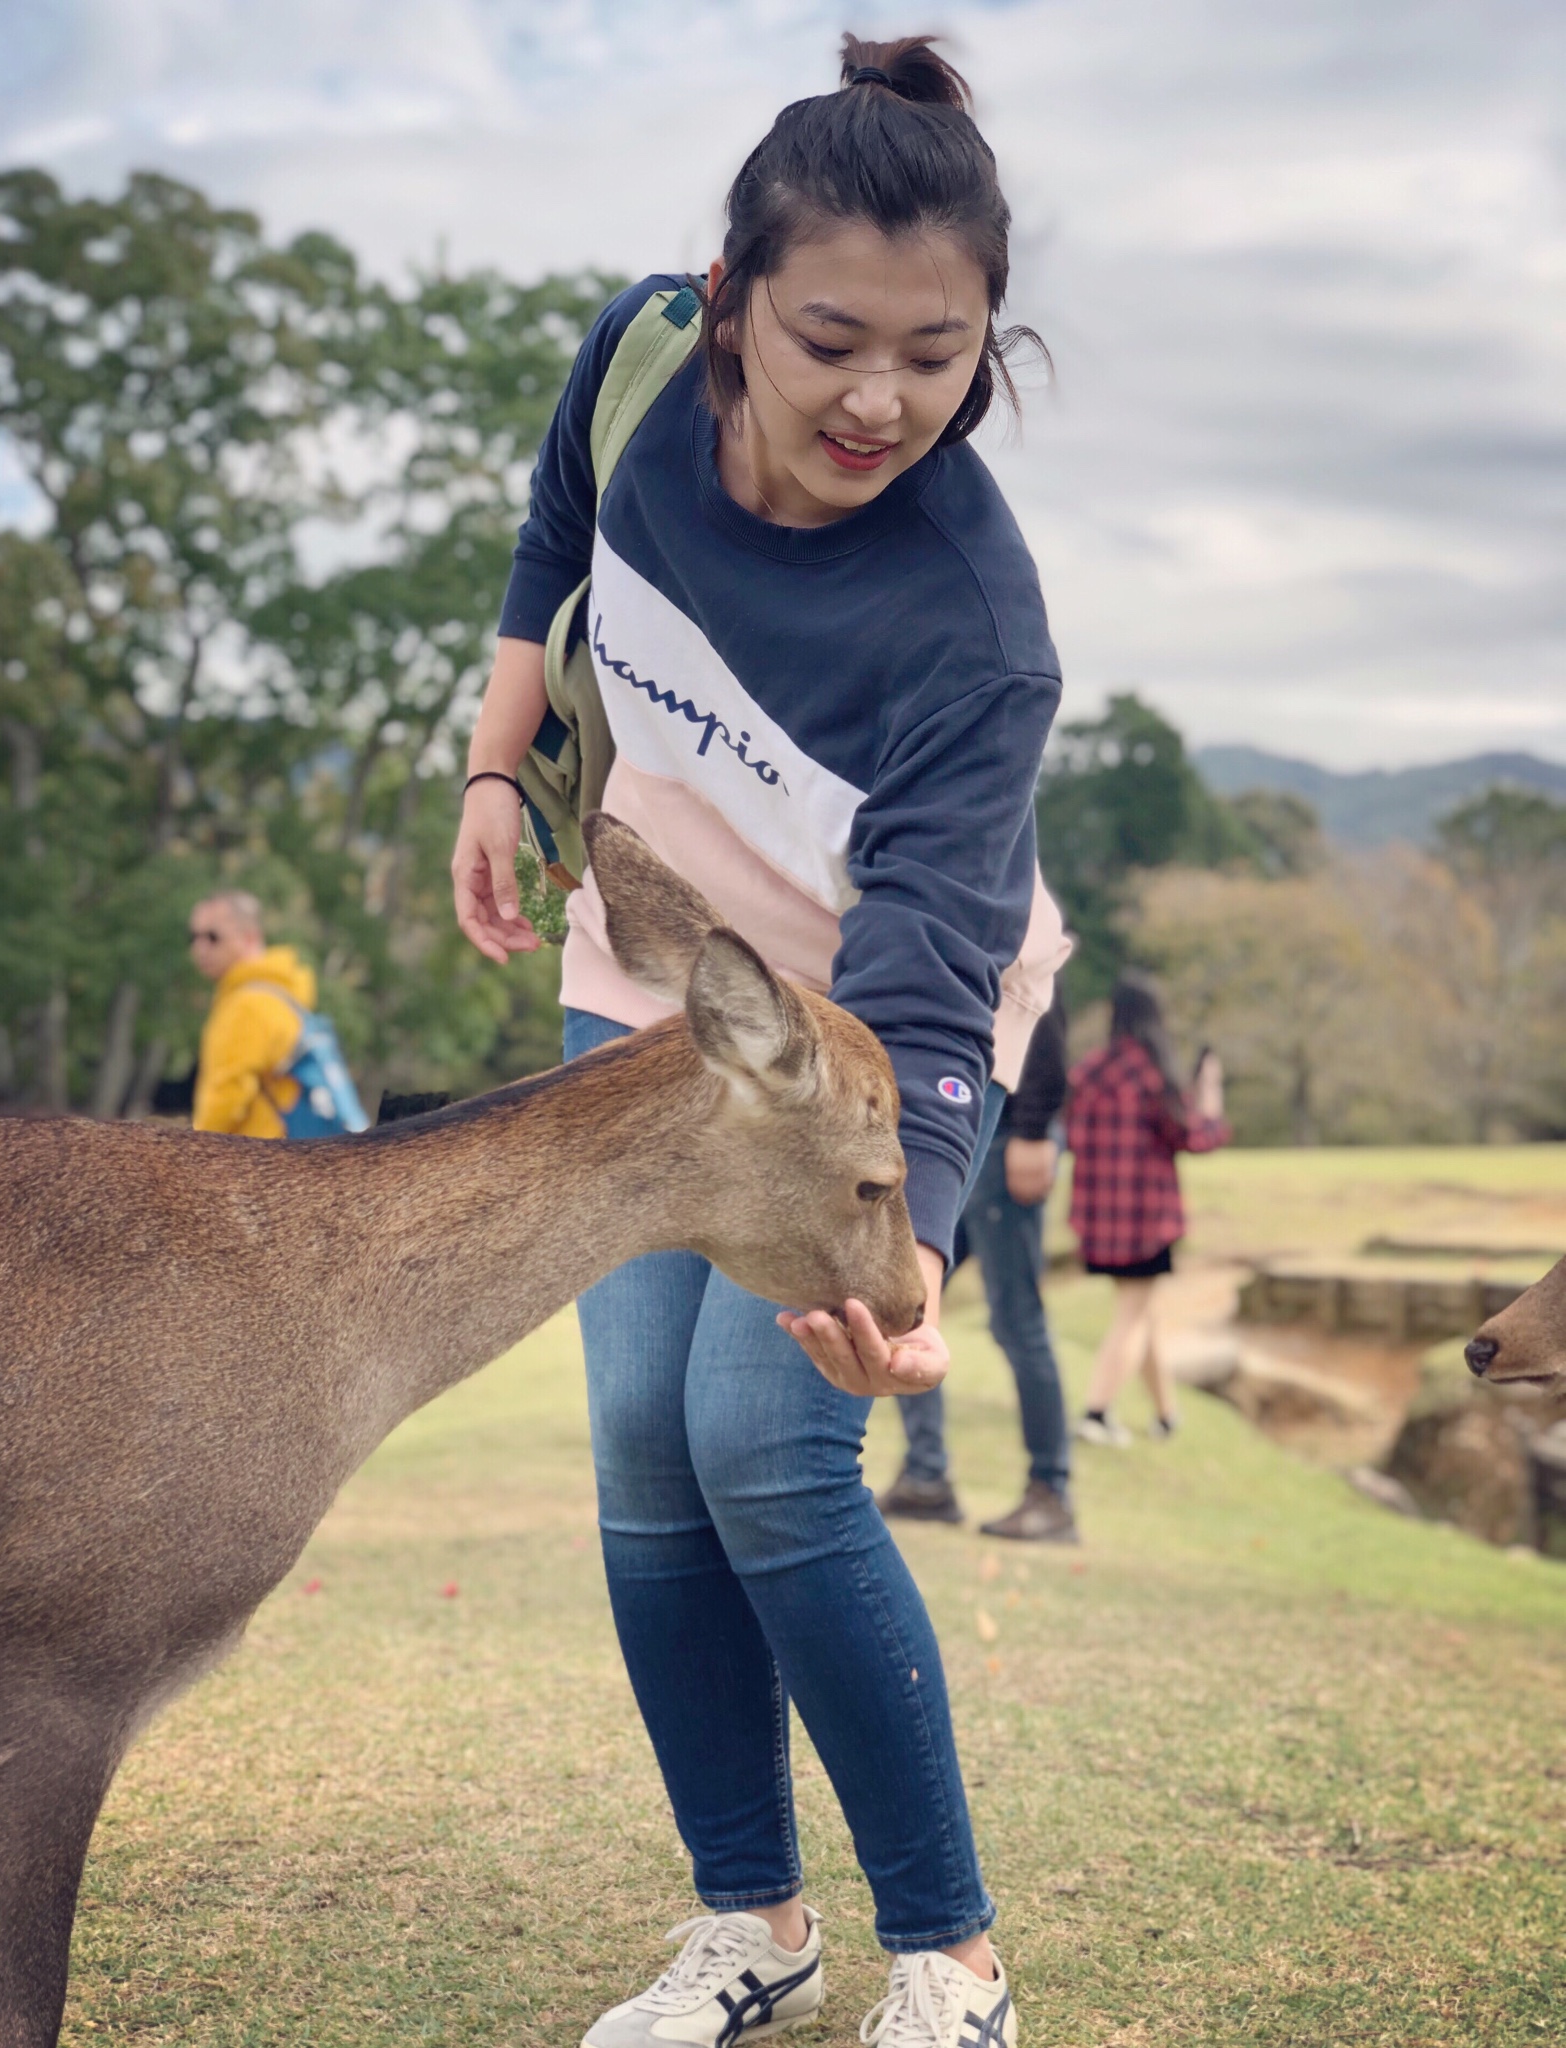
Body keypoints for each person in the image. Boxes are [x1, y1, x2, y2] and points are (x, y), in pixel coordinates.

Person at [449, 36, 1070, 2048]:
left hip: (879, 1031)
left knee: (768, 1441)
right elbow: (559, 535)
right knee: (643, 1444)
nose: (884, 399)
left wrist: (916, 1250)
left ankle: (951, 1957)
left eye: (941, 353)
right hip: (655, 970)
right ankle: (752, 1926)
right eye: (830, 341)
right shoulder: (638, 363)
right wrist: (494, 766)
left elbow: (927, 981)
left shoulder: (970, 630)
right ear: (726, 304)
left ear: (990, 341)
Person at [878, 984, 1079, 1542]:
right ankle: (926, 1476)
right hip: (954, 1138)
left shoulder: (1006, 902)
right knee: (906, 1303)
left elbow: (1036, 1006)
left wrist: (1035, 1129)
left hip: (1006, 1133)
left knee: (1017, 1321)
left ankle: (1051, 1492)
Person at [1066, 972, 1228, 1446]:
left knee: (1141, 1311)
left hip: (1098, 1220)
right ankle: (1096, 1413)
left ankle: (1166, 1415)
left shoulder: (1088, 1072)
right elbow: (1195, 1138)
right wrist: (1211, 1097)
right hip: (1145, 1221)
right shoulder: (1157, 1074)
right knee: (1134, 1315)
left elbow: (1071, 1134)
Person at [188, 890, 316, 1138]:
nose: (199, 948)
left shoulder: (247, 1005)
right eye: (193, 937)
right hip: (292, 1154)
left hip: (257, 1162)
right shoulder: (281, 996)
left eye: (213, 937)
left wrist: (192, 1157)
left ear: (248, 938)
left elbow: (228, 1094)